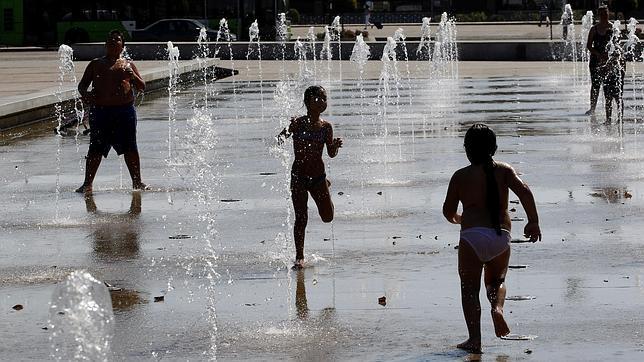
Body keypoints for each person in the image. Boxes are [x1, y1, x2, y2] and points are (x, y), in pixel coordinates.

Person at [442, 124, 542, 354]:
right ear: (494, 148)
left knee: (469, 289)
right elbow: (525, 191)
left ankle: (474, 339)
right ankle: (497, 309)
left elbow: (448, 210)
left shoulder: (460, 176)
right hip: (500, 237)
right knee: (496, 282)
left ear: (466, 149)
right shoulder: (504, 170)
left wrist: (459, 219)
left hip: (471, 238)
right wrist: (533, 221)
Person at [277, 85, 343, 269]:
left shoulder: (326, 127)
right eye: (317, 99)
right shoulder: (298, 124)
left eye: (324, 98)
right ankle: (299, 256)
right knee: (301, 217)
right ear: (307, 102)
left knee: (327, 217)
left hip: (318, 177)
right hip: (298, 176)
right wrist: (287, 129)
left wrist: (335, 146)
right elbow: (279, 140)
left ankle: (326, 187)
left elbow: (330, 154)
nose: (322, 102)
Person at [75, 30, 147, 194]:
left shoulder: (128, 65)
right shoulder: (96, 64)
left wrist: (133, 78)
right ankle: (87, 184)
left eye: (117, 40)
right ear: (105, 45)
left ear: (122, 46)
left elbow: (142, 87)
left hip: (124, 111)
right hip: (101, 112)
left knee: (130, 147)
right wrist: (85, 95)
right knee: (95, 148)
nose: (114, 42)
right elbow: (82, 85)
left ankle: (137, 182)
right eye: (110, 40)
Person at [585, 5, 612, 116]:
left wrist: (608, 55)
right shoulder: (594, 29)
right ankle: (592, 108)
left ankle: (608, 111)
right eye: (602, 14)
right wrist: (598, 55)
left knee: (608, 85)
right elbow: (589, 45)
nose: (604, 16)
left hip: (608, 61)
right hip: (595, 61)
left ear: (608, 13)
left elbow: (616, 44)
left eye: (605, 13)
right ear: (599, 15)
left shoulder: (612, 27)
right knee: (595, 84)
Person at [602, 40, 626, 123]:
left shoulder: (616, 49)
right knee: (612, 99)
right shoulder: (609, 47)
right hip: (611, 79)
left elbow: (622, 68)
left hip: (615, 79)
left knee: (616, 99)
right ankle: (610, 119)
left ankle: (617, 119)